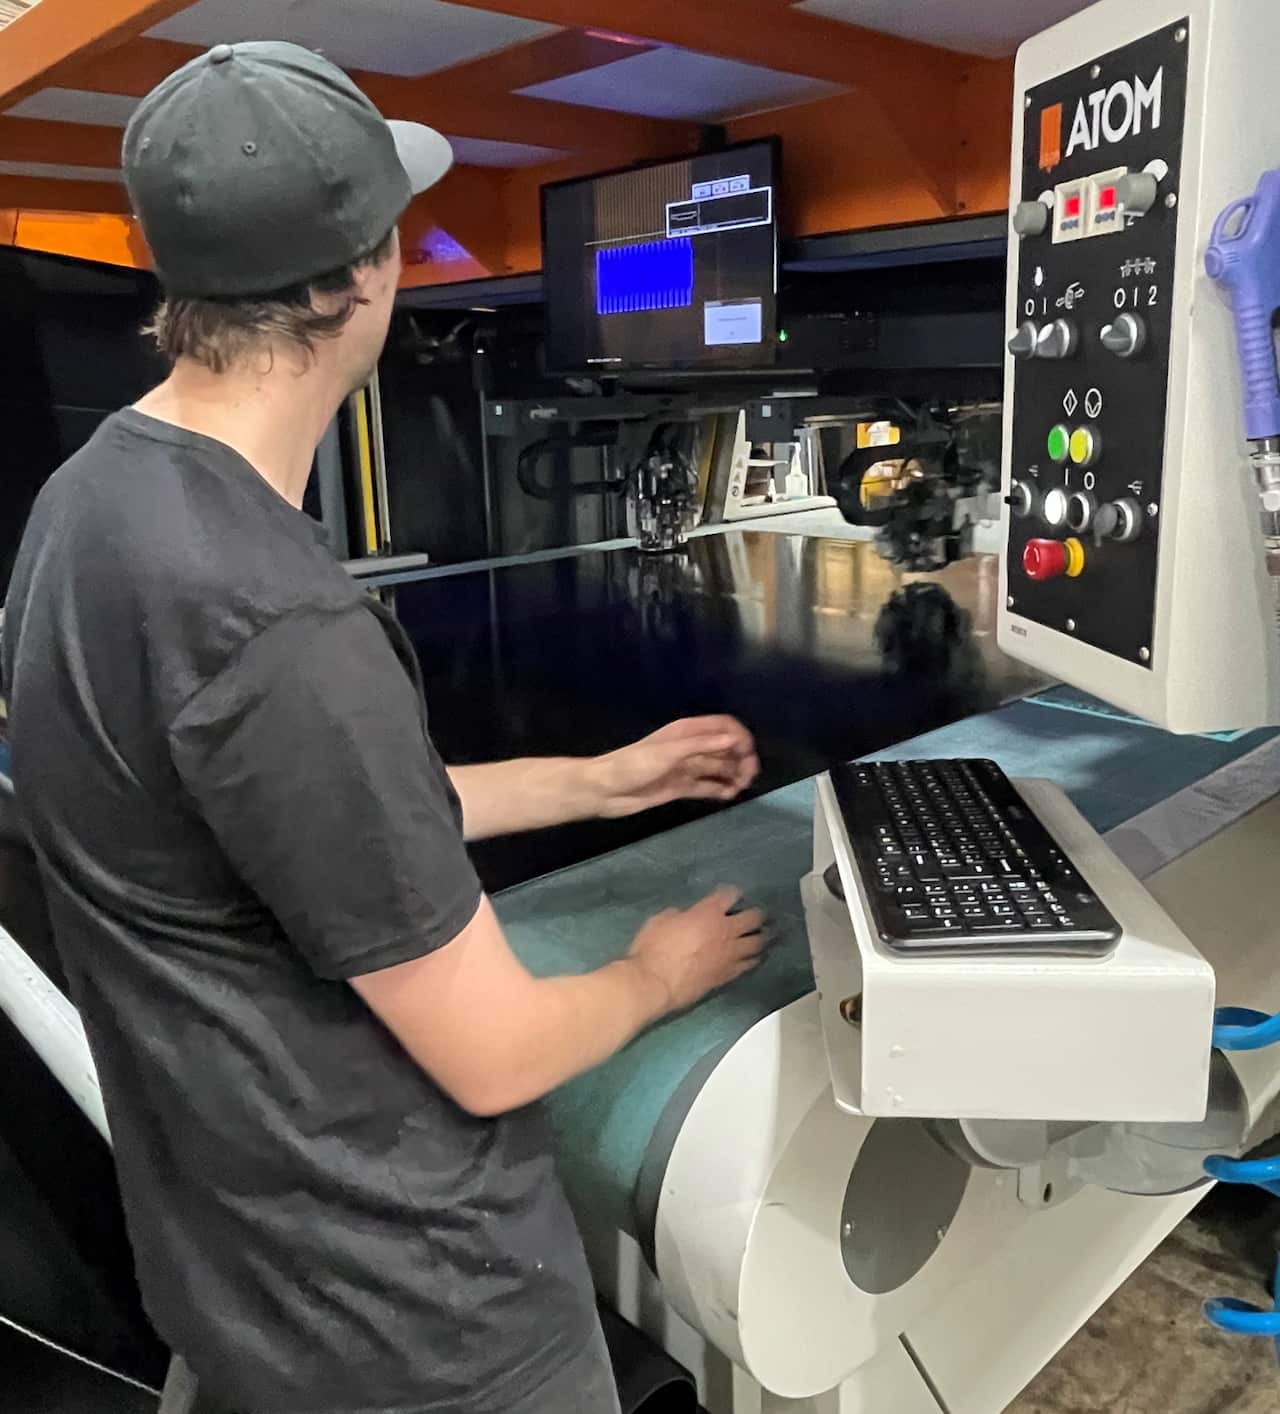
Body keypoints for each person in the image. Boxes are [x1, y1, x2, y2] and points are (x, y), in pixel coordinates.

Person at [0, 42, 766, 1414]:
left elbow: (310, 825)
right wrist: (662, 969)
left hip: (240, 1288)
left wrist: (605, 780)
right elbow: (499, 1048)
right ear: (366, 279)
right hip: (423, 1328)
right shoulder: (279, 622)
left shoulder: (83, 507)